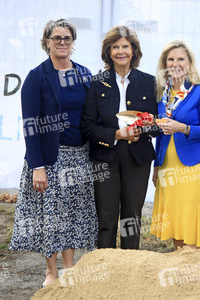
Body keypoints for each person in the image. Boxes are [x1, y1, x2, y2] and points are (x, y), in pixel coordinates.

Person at [9, 19, 98, 287]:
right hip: (50, 159)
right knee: (50, 216)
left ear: (73, 43)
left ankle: (69, 268)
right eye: (56, 38)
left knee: (71, 214)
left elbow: (92, 115)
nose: (62, 43)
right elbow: (30, 124)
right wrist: (38, 166)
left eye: (67, 38)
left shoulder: (83, 74)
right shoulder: (37, 76)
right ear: (47, 41)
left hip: (79, 156)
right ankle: (51, 271)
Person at [81, 25, 158, 250]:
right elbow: (87, 125)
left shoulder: (150, 82)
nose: (121, 51)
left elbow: (157, 125)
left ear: (134, 50)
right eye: (115, 47)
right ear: (109, 52)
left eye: (125, 46)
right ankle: (106, 269)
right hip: (105, 157)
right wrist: (115, 134)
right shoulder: (97, 83)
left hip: (138, 157)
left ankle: (129, 270)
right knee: (106, 217)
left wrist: (142, 129)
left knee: (131, 218)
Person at [151, 40, 200, 250]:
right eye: (170, 59)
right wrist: (156, 165)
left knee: (191, 224)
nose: (175, 63)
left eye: (181, 59)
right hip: (168, 166)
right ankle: (180, 272)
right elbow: (161, 134)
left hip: (194, 168)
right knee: (176, 223)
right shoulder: (162, 93)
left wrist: (182, 128)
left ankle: (194, 273)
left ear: (190, 63)